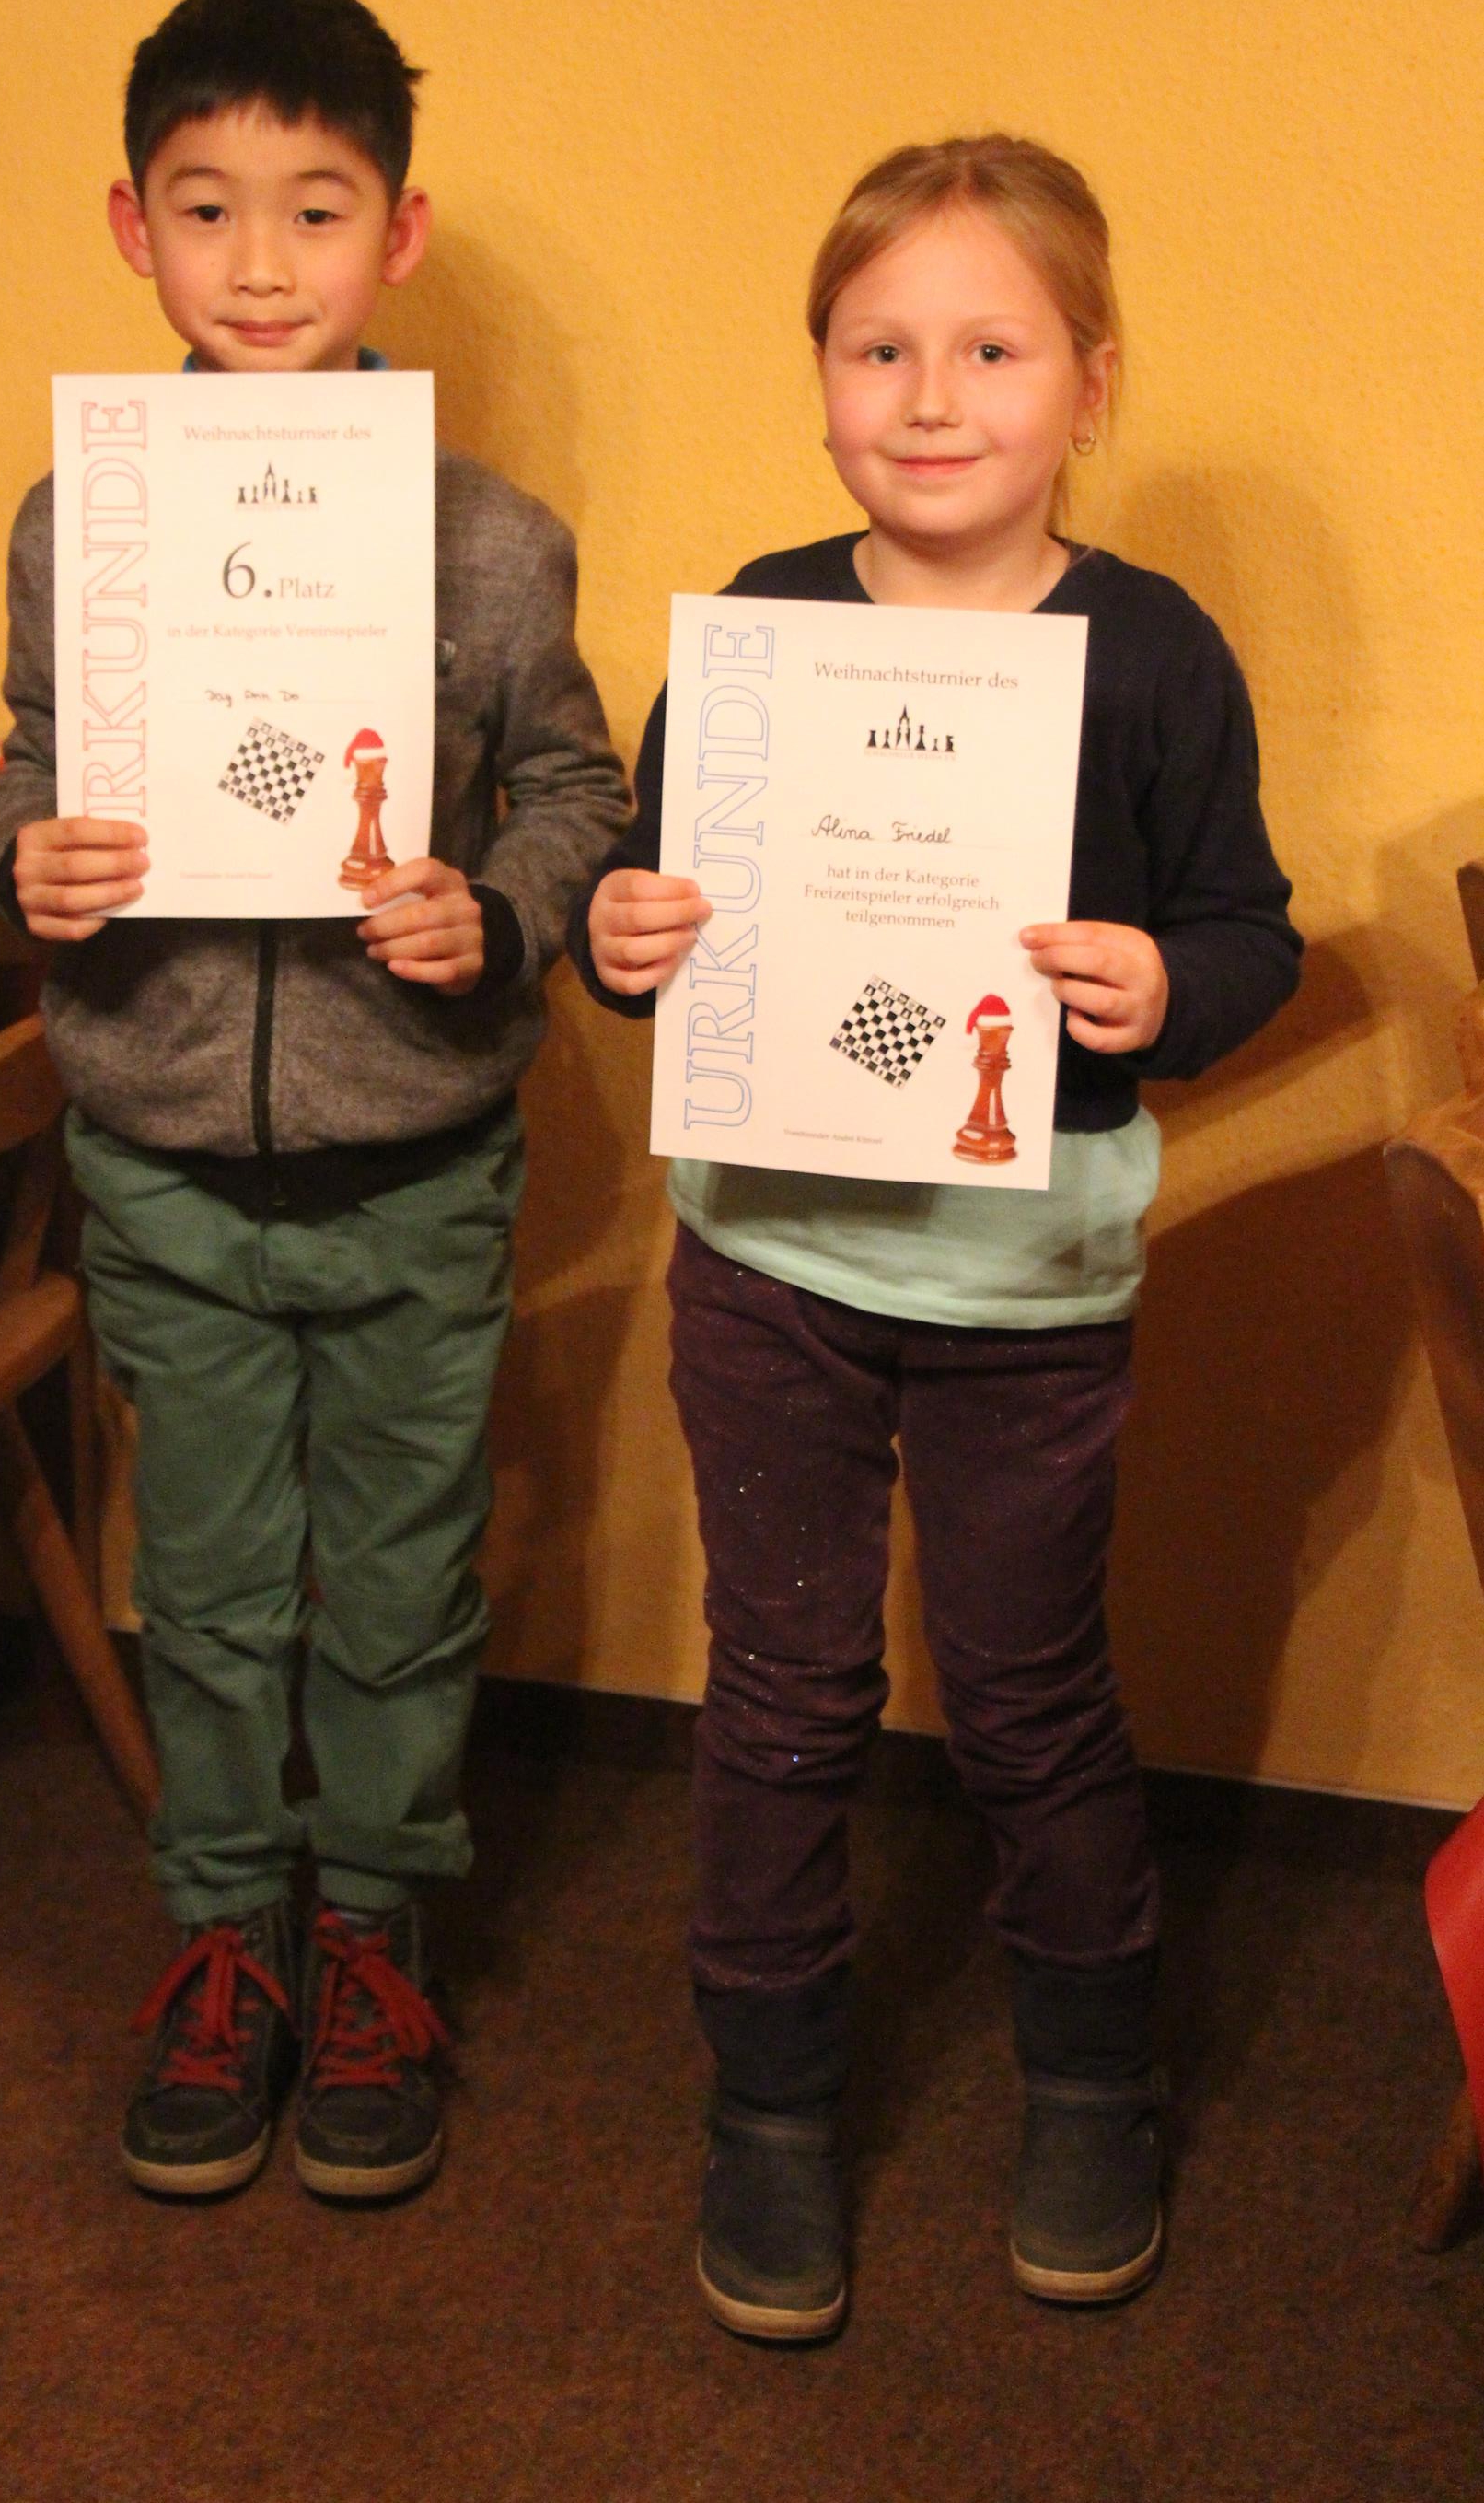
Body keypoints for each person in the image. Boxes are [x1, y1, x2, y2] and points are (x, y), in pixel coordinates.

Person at [573, 136, 1300, 2341]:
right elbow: (650, 909)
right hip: (770, 1267)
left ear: (1088, 379)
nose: (926, 396)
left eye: (989, 348)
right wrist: (619, 934)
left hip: (1027, 1285)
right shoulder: (760, 627)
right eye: (875, 347)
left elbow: (1245, 930)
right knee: (780, 1694)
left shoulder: (1149, 652)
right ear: (817, 376)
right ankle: (769, 2100)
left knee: (1023, 1692)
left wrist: (1167, 986)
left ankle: (1087, 2075)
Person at [0, 0, 630, 2206]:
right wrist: (25, 857)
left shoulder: (492, 542)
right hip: (160, 1152)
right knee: (209, 1576)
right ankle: (218, 1936)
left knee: (401, 1572)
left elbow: (576, 792)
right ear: (130, 227)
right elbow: (35, 765)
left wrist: (498, 908)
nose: (259, 263)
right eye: (205, 207)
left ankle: (368, 1931)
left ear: (399, 234)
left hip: (414, 1157)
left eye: (316, 209)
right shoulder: (79, 524)